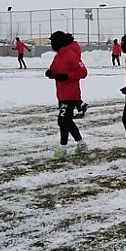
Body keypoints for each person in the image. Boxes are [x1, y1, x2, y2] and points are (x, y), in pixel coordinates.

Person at [45, 31, 89, 159]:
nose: (52, 44)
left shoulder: (71, 55)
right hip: (61, 94)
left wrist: (67, 76)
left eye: (53, 42)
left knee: (62, 120)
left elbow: (83, 72)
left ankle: (62, 149)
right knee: (67, 121)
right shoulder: (58, 56)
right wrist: (50, 73)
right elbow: (53, 70)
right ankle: (81, 145)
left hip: (71, 94)